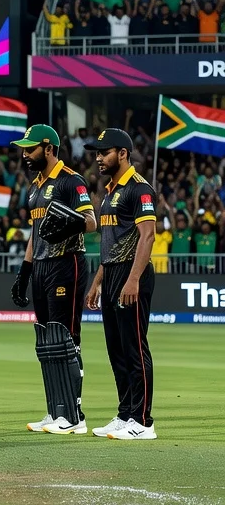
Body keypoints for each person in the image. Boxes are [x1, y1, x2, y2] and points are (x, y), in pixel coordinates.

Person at [10, 124, 98, 435]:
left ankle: (74, 415)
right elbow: (35, 234)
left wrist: (69, 225)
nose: (25, 154)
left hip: (66, 263)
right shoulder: (34, 187)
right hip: (41, 267)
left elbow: (91, 222)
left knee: (66, 340)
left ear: (48, 148)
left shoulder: (71, 180)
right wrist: (24, 273)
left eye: (30, 148)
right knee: (48, 343)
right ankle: (56, 410)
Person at [85, 128, 158, 440]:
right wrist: (97, 282)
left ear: (123, 153)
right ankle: (126, 413)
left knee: (134, 348)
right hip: (113, 274)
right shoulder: (110, 191)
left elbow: (148, 236)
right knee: (116, 350)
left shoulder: (139, 189)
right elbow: (111, 244)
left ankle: (143, 421)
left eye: (105, 152)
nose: (99, 158)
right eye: (97, 153)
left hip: (132, 274)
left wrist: (133, 279)